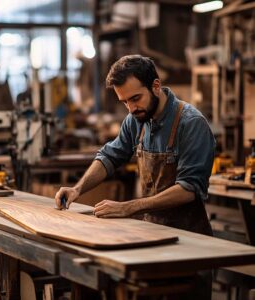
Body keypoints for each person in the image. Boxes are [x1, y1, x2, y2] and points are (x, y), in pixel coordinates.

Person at [55, 54, 215, 299]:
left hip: (189, 247)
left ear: (156, 86)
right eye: (124, 102)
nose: (131, 108)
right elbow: (110, 156)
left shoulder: (190, 123)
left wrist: (129, 207)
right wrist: (78, 189)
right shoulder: (136, 120)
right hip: (151, 239)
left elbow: (189, 188)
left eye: (135, 98)